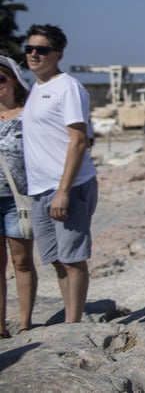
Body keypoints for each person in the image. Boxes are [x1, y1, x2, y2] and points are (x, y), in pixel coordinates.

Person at [22, 24, 99, 323]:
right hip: (40, 188)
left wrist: (63, 191)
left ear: (58, 54)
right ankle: (70, 317)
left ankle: (73, 323)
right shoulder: (36, 89)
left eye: (41, 50)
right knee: (55, 258)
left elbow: (79, 140)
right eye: (29, 49)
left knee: (73, 258)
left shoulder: (67, 87)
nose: (33, 55)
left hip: (67, 185)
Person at [0, 56, 37, 337]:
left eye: (1, 79)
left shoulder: (28, 114)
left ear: (13, 81)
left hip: (17, 199)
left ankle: (25, 323)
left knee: (22, 262)